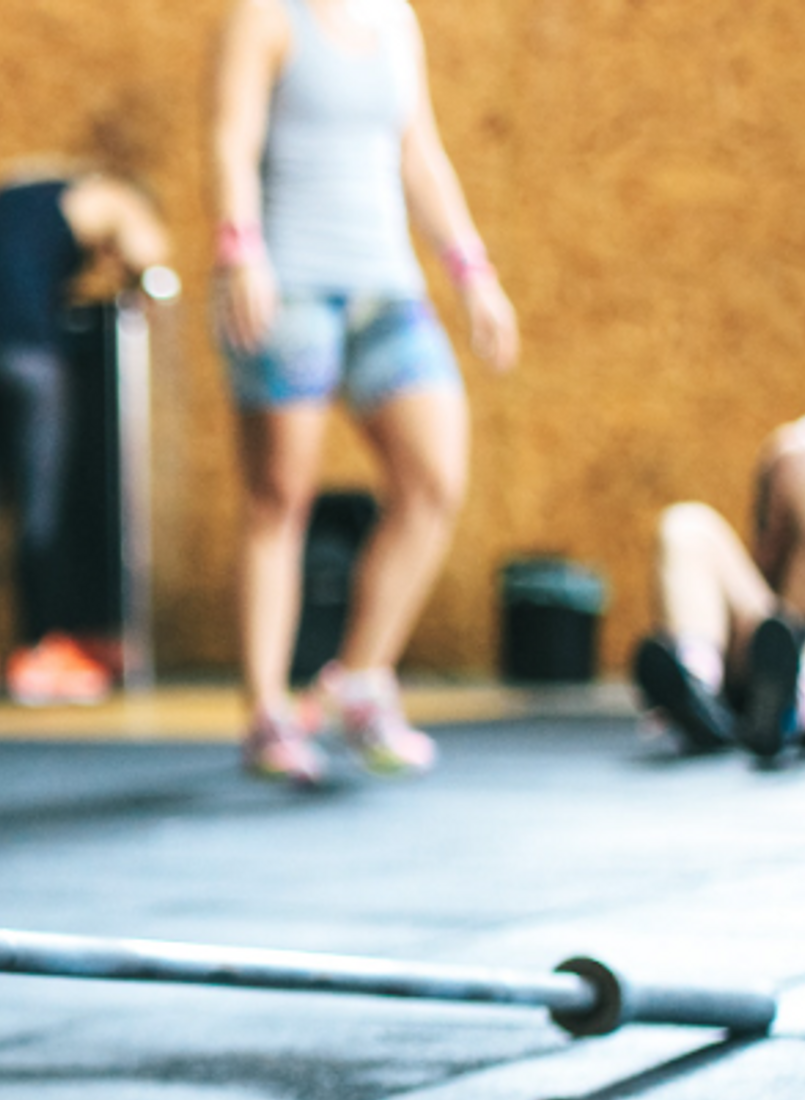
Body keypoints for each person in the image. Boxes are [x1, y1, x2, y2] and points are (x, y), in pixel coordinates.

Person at [211, 0, 519, 785]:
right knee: (279, 496)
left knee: (433, 480)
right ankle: (266, 714)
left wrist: (472, 274)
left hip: (385, 287)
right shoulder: (268, 14)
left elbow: (418, 154)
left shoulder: (394, 19)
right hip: (289, 288)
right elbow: (231, 137)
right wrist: (240, 250)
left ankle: (360, 681)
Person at [0, 170, 169, 706]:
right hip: (23, 344)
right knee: (39, 499)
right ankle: (38, 652)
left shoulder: (5, 195)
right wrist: (142, 278)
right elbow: (145, 253)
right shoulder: (106, 196)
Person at [634, 418, 805, 761]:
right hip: (776, 641)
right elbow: (766, 559)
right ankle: (698, 689)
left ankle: (791, 705)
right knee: (686, 526)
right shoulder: (792, 449)